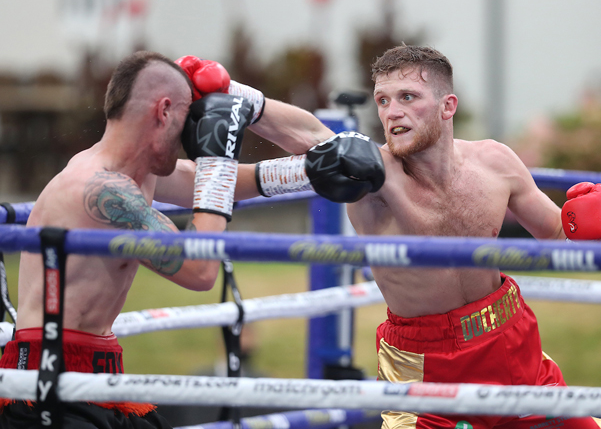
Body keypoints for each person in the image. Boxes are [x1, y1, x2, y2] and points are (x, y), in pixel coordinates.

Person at [0, 51, 385, 428]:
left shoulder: (142, 172)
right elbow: (200, 271)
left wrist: (250, 105)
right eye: (189, 117)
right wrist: (217, 164)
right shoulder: (101, 190)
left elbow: (246, 179)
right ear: (164, 111)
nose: (193, 133)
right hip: (45, 386)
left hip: (98, 375)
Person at [345, 45, 601, 429]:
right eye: (383, 100)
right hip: (424, 369)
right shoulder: (374, 178)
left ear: (448, 106)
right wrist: (254, 114)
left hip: (510, 342)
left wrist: (589, 227)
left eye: (408, 97)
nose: (392, 112)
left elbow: (558, 233)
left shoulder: (494, 162)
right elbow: (312, 146)